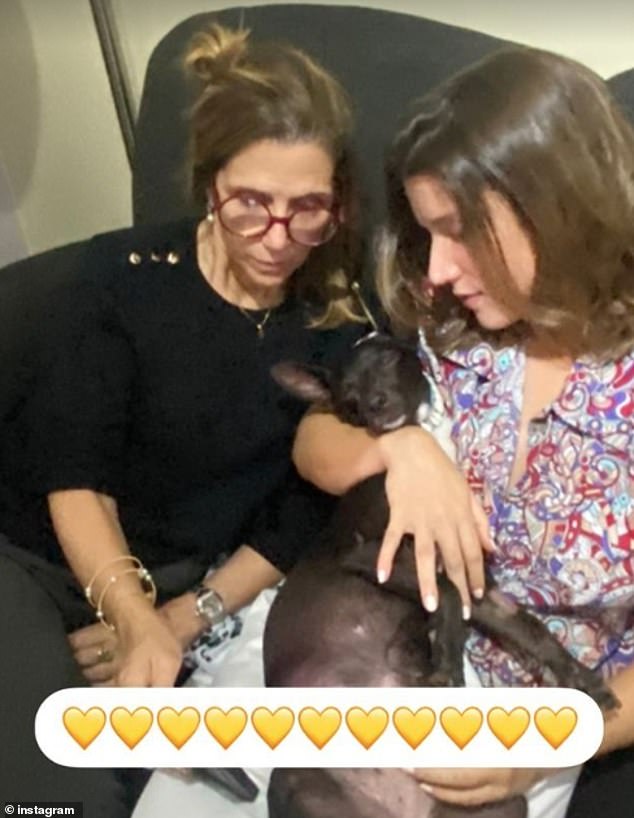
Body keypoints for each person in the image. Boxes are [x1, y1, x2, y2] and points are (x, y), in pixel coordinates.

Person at [0, 23, 368, 815]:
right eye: (250, 206)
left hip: (184, 592)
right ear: (209, 188)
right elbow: (76, 480)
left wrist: (177, 618)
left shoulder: (335, 327)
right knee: (49, 798)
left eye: (308, 210)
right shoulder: (119, 282)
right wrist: (132, 617)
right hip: (38, 565)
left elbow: (294, 516)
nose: (278, 239)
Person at [293, 45, 634, 818]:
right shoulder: (461, 333)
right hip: (385, 652)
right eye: (427, 233)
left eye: (460, 231)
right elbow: (313, 441)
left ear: (559, 206)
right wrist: (398, 448)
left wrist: (548, 746)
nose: (439, 268)